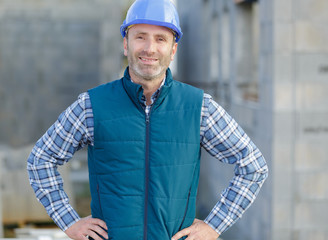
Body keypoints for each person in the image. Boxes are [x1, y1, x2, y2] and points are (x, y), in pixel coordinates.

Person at [27, 0, 268, 239]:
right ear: (125, 44)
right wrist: (69, 222)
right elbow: (40, 160)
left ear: (173, 49)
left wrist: (214, 226)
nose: (149, 48)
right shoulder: (92, 105)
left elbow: (253, 166)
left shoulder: (199, 108)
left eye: (160, 39)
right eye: (140, 36)